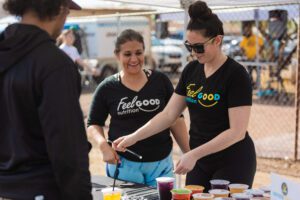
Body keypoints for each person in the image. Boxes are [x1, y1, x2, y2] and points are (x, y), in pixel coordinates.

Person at [114, 1, 256, 192]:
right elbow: (168, 115)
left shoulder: (236, 74)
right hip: (199, 160)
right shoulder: (191, 70)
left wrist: (193, 154)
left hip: (232, 160)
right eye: (189, 46)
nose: (193, 53)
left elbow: (237, 132)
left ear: (217, 40)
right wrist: (134, 137)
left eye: (198, 47)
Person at [0, 0, 92, 199]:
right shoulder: (55, 64)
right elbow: (68, 151)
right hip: (42, 188)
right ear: (58, 8)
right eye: (67, 11)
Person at [87, 29, 189, 187]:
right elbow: (93, 123)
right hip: (124, 165)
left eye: (138, 53)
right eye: (127, 54)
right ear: (117, 55)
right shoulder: (107, 87)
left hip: (161, 164)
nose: (134, 59)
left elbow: (175, 119)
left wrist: (189, 153)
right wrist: (103, 146)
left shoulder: (160, 81)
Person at [239, 23, 264, 88]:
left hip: (256, 58)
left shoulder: (256, 37)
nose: (246, 32)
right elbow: (241, 47)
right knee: (249, 72)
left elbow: (262, 45)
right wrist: (244, 54)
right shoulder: (244, 39)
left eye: (248, 30)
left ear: (250, 30)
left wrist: (258, 54)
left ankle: (258, 85)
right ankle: (251, 84)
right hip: (249, 58)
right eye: (245, 30)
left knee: (258, 72)